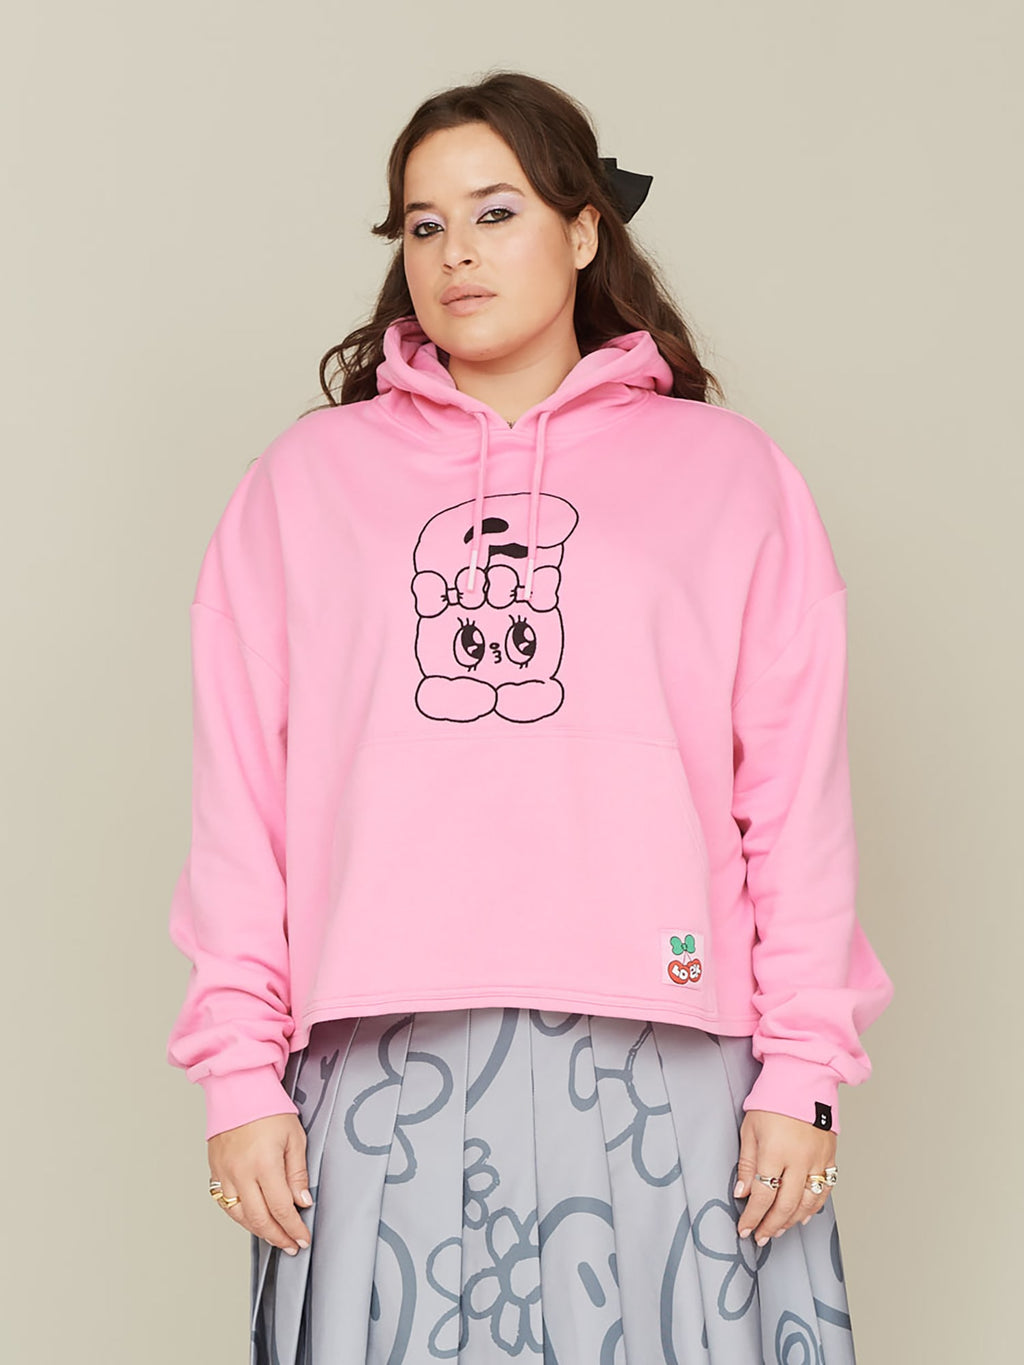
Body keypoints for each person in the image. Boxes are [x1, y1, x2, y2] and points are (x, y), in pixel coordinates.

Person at [166, 69, 893, 1364]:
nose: (455, 252)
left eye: (495, 212)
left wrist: (804, 1070)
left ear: (585, 228)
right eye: (425, 223)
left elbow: (794, 803)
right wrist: (236, 1071)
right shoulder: (302, 485)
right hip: (380, 1066)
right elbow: (242, 806)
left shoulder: (731, 477)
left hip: (673, 1059)